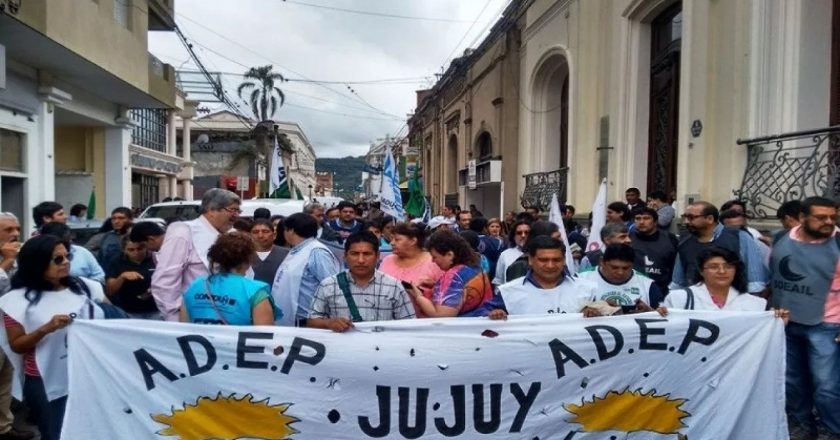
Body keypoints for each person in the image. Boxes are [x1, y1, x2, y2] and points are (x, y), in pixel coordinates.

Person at [0, 235, 108, 440]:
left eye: (67, 257)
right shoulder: (16, 300)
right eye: (58, 259)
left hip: (89, 372)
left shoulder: (85, 287)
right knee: (56, 432)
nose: (66, 262)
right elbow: (17, 345)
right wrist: (45, 329)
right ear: (37, 263)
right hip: (45, 380)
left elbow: (111, 316)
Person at [769, 196, 840, 439]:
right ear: (802, 218)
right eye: (821, 217)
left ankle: (832, 430)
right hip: (787, 323)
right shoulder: (780, 239)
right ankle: (802, 426)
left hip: (828, 325)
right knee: (792, 382)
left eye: (833, 217)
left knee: (827, 387)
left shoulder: (838, 242)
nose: (828, 222)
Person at [151, 189, 242, 321]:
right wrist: (176, 318)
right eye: (232, 210)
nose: (236, 216)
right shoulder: (184, 232)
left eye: (238, 211)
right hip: (194, 319)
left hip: (231, 316)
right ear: (212, 210)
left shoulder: (233, 235)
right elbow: (165, 281)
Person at [308, 232, 415, 332]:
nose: (361, 260)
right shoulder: (328, 285)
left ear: (377, 256)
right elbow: (311, 321)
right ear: (345, 256)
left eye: (367, 254)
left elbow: (409, 324)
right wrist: (329, 323)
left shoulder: (394, 286)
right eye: (354, 254)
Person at [671, 201, 768, 295]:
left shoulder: (739, 237)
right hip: (696, 305)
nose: (686, 222)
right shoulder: (685, 242)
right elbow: (678, 283)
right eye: (685, 217)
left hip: (734, 305)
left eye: (691, 218)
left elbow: (755, 282)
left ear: (709, 219)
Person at [181, 232, 278, 325]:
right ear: (248, 259)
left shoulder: (195, 285)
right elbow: (265, 337)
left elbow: (182, 329)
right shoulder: (256, 292)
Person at [490, 236, 598, 318]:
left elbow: (608, 313)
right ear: (530, 260)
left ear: (564, 260)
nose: (550, 265)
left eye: (556, 260)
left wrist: (600, 310)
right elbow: (481, 314)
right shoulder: (509, 292)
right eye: (543, 260)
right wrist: (494, 314)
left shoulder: (588, 289)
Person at [271, 213, 340, 326]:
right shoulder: (297, 250)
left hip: (307, 324)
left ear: (291, 231)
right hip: (289, 321)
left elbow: (331, 286)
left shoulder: (317, 252)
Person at [407, 230, 493, 318]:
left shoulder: (452, 276)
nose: (432, 261)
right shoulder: (477, 267)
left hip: (460, 329)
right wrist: (436, 285)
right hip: (481, 324)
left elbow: (442, 315)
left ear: (450, 255)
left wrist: (418, 296)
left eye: (435, 257)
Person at [659, 247, 770, 312]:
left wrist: (776, 320)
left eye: (728, 266)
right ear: (701, 271)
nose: (722, 271)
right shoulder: (678, 299)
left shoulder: (755, 304)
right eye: (713, 267)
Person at [0, 213, 32, 440]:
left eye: (17, 229)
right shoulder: (8, 259)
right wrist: (7, 263)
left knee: (5, 380)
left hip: (8, 328)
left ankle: (4, 427)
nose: (15, 234)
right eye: (8, 229)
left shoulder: (16, 257)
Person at [576, 244, 661, 309]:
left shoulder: (647, 285)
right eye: (614, 267)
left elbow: (664, 316)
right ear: (602, 262)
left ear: (632, 265)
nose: (620, 272)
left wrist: (649, 312)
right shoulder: (581, 280)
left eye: (626, 268)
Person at [379, 222, 444, 300]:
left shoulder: (433, 262)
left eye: (397, 239)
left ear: (413, 241)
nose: (392, 243)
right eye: (392, 239)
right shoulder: (387, 260)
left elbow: (447, 294)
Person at [105, 237, 159, 319]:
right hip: (129, 311)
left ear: (146, 247)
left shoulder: (156, 259)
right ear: (124, 250)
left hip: (157, 309)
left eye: (139, 249)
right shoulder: (116, 262)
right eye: (131, 250)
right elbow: (110, 291)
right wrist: (122, 277)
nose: (136, 252)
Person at [630, 206, 678, 293]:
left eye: (646, 218)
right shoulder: (628, 239)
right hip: (634, 289)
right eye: (638, 218)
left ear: (655, 222)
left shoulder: (670, 239)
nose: (641, 222)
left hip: (662, 290)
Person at [39, 223, 105, 283]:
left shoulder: (82, 252)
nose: (66, 262)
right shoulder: (39, 255)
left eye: (69, 239)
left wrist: (85, 285)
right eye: (59, 259)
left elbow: (100, 275)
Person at [250, 219, 288, 285]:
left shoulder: (287, 255)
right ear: (250, 235)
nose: (260, 236)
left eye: (265, 231)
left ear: (274, 235)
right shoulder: (243, 255)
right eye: (255, 232)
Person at [493, 219, 531, 285]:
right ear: (514, 236)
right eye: (519, 233)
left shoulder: (539, 254)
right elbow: (498, 280)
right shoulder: (505, 255)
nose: (523, 235)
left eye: (527, 232)